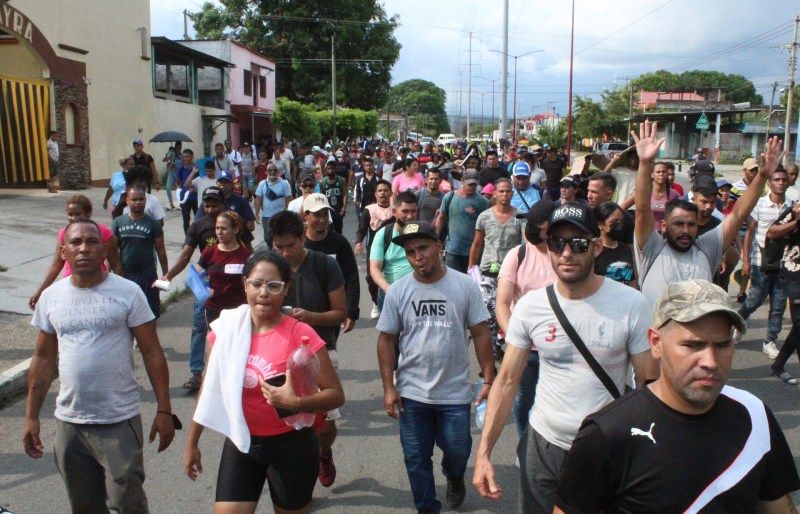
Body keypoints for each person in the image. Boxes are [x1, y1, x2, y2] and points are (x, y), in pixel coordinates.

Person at [554, 279, 800, 513]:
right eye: (693, 345)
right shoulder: (607, 433)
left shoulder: (754, 415)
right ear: (656, 342)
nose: (710, 362)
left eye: (722, 345)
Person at [473, 203, 657, 513]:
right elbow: (506, 382)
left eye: (579, 243)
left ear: (596, 248)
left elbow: (650, 385)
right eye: (557, 243)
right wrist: (484, 453)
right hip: (544, 444)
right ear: (547, 249)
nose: (567, 253)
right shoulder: (531, 307)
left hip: (606, 448)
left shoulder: (632, 304)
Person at [25, 218, 175, 512]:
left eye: (92, 242)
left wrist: (164, 409)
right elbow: (42, 360)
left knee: (128, 503)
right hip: (70, 423)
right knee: (84, 506)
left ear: (105, 250)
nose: (84, 249)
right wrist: (31, 416)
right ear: (63, 251)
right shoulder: (50, 298)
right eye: (76, 242)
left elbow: (152, 353)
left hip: (118, 421)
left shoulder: (128, 292)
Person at [184, 250, 345, 513]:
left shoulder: (300, 333)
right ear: (244, 285)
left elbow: (335, 395)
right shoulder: (226, 330)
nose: (263, 293)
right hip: (242, 441)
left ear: (286, 289)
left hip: (291, 446)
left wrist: (295, 402)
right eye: (256, 284)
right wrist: (192, 442)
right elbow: (208, 389)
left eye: (273, 286)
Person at [376, 220, 494, 513]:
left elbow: (480, 332)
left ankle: (454, 478)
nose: (418, 256)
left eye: (424, 247)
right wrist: (389, 387)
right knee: (416, 458)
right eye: (410, 251)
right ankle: (428, 508)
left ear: (439, 247)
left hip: (454, 392)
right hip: (412, 392)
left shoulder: (464, 285)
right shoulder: (398, 292)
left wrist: (489, 378)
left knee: (457, 452)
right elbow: (386, 340)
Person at [634, 122, 782, 309]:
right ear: (663, 225)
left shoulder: (707, 249)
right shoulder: (651, 248)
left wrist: (762, 176)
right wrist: (645, 163)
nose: (685, 230)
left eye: (691, 224)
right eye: (678, 224)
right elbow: (641, 210)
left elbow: (737, 215)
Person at [269, 210, 347, 488]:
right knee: (287, 421)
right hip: (277, 356)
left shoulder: (325, 265)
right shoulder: (270, 268)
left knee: (323, 425)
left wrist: (309, 318)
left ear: (303, 237)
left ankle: (323, 453)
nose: (285, 253)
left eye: (291, 245)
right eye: (279, 247)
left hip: (320, 353)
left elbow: (340, 313)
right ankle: (299, 478)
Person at [495, 200, 557, 441]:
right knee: (523, 398)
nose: (529, 229)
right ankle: (524, 443)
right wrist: (514, 338)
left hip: (558, 346)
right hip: (526, 350)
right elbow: (502, 302)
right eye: (527, 224)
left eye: (536, 225)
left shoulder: (564, 256)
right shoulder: (517, 255)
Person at [161, 187, 225, 391]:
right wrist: (168, 276)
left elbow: (246, 253)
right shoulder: (197, 226)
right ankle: (197, 373)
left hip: (231, 284)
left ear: (222, 205)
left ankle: (228, 373)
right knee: (199, 326)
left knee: (231, 329)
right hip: (206, 284)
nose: (211, 209)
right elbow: (186, 254)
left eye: (215, 205)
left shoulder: (233, 223)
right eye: (207, 205)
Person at [29, 195, 122, 310]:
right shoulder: (64, 233)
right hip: (71, 287)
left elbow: (115, 264)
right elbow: (56, 265)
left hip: (99, 287)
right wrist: (40, 291)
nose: (73, 218)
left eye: (78, 214)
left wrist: (121, 290)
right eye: (70, 214)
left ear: (88, 213)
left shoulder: (104, 233)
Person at [739, 166, 792, 358]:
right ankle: (738, 321)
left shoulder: (792, 206)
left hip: (784, 263)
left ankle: (770, 340)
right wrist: (745, 259)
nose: (780, 183)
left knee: (778, 305)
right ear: (769, 183)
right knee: (754, 299)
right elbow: (750, 233)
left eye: (784, 180)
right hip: (760, 262)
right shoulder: (759, 204)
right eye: (776, 180)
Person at [468, 178, 524, 354]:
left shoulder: (520, 217)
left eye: (508, 191)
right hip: (486, 273)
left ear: (512, 194)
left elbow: (524, 246)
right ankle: (490, 357)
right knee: (487, 317)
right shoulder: (484, 217)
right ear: (494, 194)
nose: (504, 195)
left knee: (510, 314)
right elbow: (477, 244)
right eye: (501, 191)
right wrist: (471, 268)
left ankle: (511, 351)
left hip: (510, 274)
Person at [302, 193, 360, 333]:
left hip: (330, 316)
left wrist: (351, 311)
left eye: (325, 214)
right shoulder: (297, 243)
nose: (322, 220)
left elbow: (351, 277)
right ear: (306, 216)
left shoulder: (339, 243)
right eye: (317, 215)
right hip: (302, 315)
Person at [112, 186, 169, 318]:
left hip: (147, 275)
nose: (137, 202)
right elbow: (112, 251)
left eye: (141, 199)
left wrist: (166, 275)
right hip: (125, 275)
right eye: (134, 199)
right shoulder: (118, 222)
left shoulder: (153, 224)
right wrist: (108, 273)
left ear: (145, 200)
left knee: (150, 313)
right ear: (127, 200)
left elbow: (161, 250)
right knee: (126, 313)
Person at [197, 211, 252, 326]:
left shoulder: (246, 256)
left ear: (236, 230)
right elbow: (196, 275)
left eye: (223, 228)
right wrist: (203, 288)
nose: (219, 232)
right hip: (214, 309)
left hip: (239, 310)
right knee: (215, 342)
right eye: (217, 228)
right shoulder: (209, 252)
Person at [369, 191, 418, 312]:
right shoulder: (383, 234)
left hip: (419, 295)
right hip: (391, 296)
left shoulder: (422, 233)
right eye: (405, 211)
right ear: (395, 212)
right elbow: (374, 268)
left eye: (413, 211)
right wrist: (388, 289)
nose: (410, 216)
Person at [435, 169, 490, 273]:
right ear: (462, 181)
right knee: (452, 281)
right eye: (469, 184)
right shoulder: (449, 197)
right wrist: (435, 238)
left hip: (473, 252)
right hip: (452, 250)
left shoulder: (483, 202)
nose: (471, 187)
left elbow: (486, 226)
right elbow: (441, 218)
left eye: (474, 184)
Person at [769, 202, 800, 384]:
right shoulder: (796, 209)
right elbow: (772, 232)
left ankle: (778, 364)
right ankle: (778, 365)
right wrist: (797, 221)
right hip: (795, 272)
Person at [356, 179, 394, 318]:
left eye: (385, 190)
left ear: (391, 193)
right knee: (371, 278)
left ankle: (391, 303)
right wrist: (358, 242)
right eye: (380, 191)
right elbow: (362, 228)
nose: (383, 193)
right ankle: (376, 303)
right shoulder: (369, 210)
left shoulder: (396, 210)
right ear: (376, 194)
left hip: (393, 250)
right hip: (374, 250)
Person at [620, 160, 681, 232]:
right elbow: (621, 208)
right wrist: (632, 222)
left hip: (665, 234)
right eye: (658, 172)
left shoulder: (675, 195)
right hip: (644, 234)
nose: (661, 174)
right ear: (652, 174)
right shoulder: (643, 192)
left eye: (664, 172)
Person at [593, 201, 637, 288]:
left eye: (621, 221)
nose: (619, 225)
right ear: (600, 225)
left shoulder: (625, 249)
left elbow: (632, 281)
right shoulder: (594, 250)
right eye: (614, 222)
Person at [254, 162, 292, 245]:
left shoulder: (284, 183)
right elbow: (258, 199)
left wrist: (289, 214)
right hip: (266, 217)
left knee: (281, 237)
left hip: (281, 216)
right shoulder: (262, 184)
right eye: (270, 170)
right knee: (268, 238)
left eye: (274, 170)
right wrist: (257, 213)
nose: (272, 172)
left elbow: (289, 199)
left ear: (278, 172)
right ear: (266, 172)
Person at [318, 161, 348, 235]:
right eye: (328, 169)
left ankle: (339, 246)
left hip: (338, 210)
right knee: (329, 231)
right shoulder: (323, 182)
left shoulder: (341, 180)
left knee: (339, 231)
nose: (330, 170)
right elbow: (322, 197)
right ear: (326, 170)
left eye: (332, 169)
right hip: (328, 211)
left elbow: (345, 194)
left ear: (335, 169)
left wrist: (344, 207)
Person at [175, 149, 199, 234]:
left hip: (196, 198)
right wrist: (178, 188)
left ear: (192, 157)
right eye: (183, 157)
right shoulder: (181, 169)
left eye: (187, 157)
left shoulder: (197, 168)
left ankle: (198, 237)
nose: (185, 159)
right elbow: (177, 182)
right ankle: (187, 240)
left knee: (198, 219)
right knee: (186, 219)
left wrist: (196, 188)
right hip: (184, 198)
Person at [162, 141, 182, 210]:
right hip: (171, 173)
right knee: (168, 188)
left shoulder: (182, 156)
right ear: (175, 146)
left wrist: (176, 165)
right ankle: (171, 204)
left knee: (178, 189)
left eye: (180, 147)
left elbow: (183, 165)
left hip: (178, 174)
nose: (178, 148)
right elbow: (164, 160)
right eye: (177, 147)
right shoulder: (171, 153)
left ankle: (180, 204)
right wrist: (168, 156)